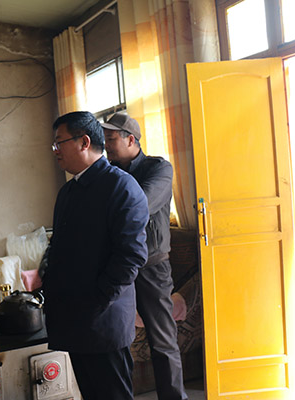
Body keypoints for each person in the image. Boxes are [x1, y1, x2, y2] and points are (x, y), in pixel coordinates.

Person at [42, 111, 149, 400]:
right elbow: (60, 245)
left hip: (102, 320)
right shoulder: (69, 191)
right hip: (75, 317)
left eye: (59, 143)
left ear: (84, 142)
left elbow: (131, 256)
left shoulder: (121, 187)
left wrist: (97, 301)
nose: (55, 151)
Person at [102, 113, 188, 400]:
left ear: (131, 140)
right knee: (116, 338)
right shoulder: (107, 172)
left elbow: (138, 205)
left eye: (111, 139)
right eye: (104, 139)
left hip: (152, 266)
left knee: (162, 340)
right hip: (117, 265)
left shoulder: (159, 168)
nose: (106, 145)